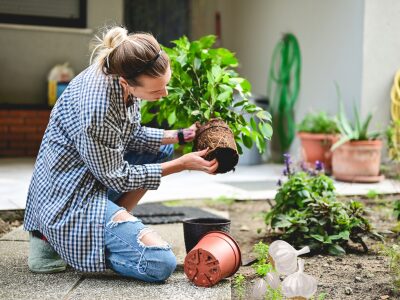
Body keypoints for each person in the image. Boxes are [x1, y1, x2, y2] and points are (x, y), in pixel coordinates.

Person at [23, 26, 218, 282]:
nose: (164, 94)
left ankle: (114, 225)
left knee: (162, 149)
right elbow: (118, 178)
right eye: (156, 91)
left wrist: (179, 135)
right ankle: (56, 241)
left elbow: (129, 134)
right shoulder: (98, 109)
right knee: (159, 263)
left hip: (91, 175)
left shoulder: (120, 72)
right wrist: (181, 165)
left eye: (165, 85)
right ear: (128, 83)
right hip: (68, 197)